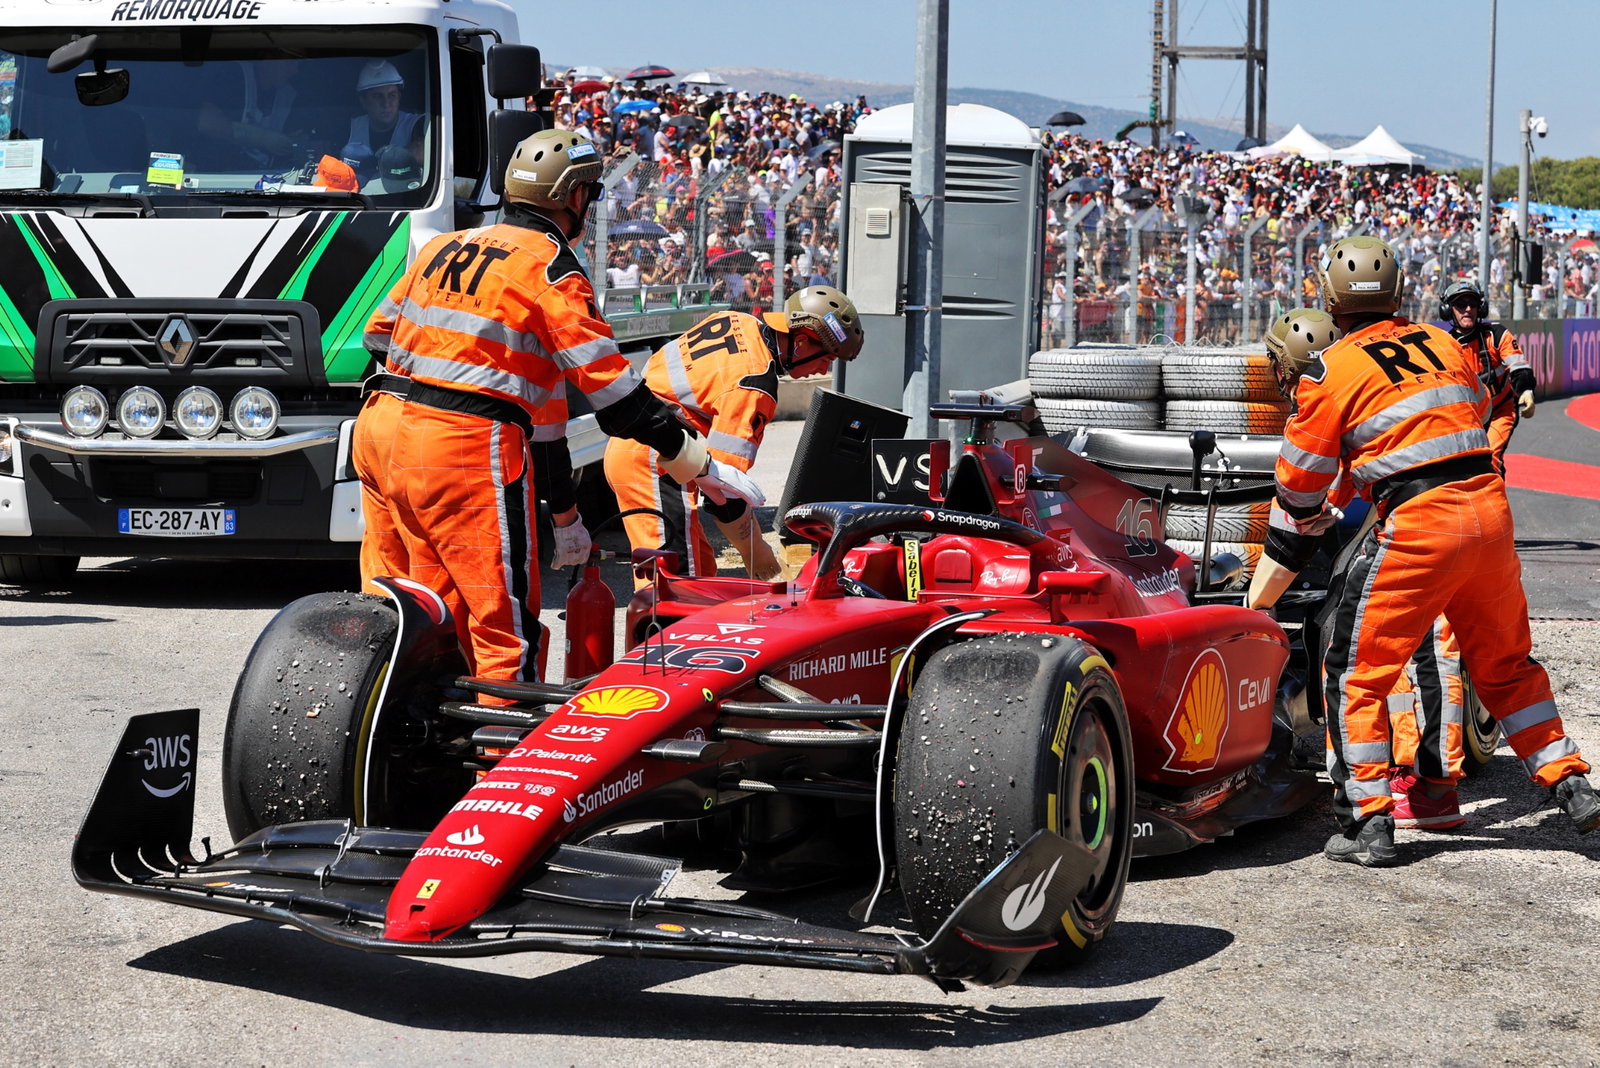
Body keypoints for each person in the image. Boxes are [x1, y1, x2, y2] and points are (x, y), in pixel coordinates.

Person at [353, 129, 763, 699]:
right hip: (460, 445)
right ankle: (501, 768)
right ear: (572, 197)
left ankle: (398, 744)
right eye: (590, 195)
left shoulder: (445, 246)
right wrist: (702, 467)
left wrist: (566, 514)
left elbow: (378, 334)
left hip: (380, 426)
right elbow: (617, 399)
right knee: (502, 629)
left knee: (412, 609)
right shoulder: (552, 272)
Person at [1248, 235, 1599, 867]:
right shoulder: (1442, 344)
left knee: (1355, 671)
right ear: (1400, 290)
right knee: (1507, 666)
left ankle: (1366, 823)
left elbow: (1298, 490)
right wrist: (1357, 477)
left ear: (1328, 296)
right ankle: (1571, 784)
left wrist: (1296, 538)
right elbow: (1427, 431)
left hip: (1417, 525)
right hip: (1488, 513)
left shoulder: (1329, 371)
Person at [603, 284, 865, 586]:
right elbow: (722, 492)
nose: (822, 370)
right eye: (826, 358)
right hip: (653, 459)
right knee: (673, 586)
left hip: (651, 442)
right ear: (802, 341)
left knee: (702, 573)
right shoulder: (754, 385)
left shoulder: (738, 321)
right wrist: (754, 550)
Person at [1440, 280, 1538, 467]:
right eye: (1461, 304)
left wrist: (1526, 390)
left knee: (1490, 461)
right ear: (1448, 309)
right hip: (1466, 416)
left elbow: (1518, 365)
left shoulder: (1496, 334)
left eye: (1473, 304)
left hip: (1500, 410)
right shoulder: (1444, 345)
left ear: (1481, 308)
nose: (1468, 309)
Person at [197, 58, 305, 165]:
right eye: (289, 62)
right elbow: (206, 122)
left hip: (267, 177)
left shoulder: (289, 95)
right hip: (215, 173)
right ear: (265, 60)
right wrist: (261, 138)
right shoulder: (233, 74)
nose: (295, 70)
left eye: (297, 64)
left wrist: (289, 142)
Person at [340, 60, 424, 181]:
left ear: (399, 97)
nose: (386, 104)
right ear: (363, 101)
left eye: (392, 95)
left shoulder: (417, 124)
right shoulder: (349, 128)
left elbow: (423, 152)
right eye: (377, 96)